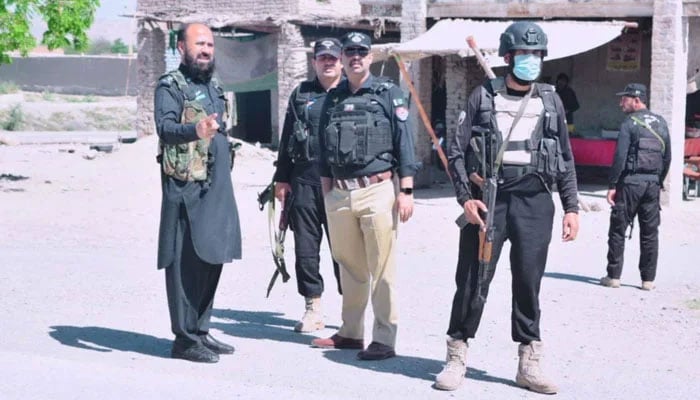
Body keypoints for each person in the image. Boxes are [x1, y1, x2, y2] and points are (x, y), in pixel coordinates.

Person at [435, 21, 580, 393]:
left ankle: (529, 360)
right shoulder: (483, 96)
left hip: (535, 200)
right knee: (472, 280)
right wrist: (466, 199)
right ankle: (456, 353)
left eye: (536, 54)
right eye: (523, 54)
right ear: (508, 57)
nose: (530, 60)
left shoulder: (550, 100)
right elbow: (455, 151)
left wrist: (571, 207)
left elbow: (564, 157)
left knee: (529, 282)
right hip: (489, 201)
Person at [311, 31, 419, 361]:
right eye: (350, 52)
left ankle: (384, 338)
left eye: (362, 51)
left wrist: (407, 191)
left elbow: (404, 142)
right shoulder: (332, 98)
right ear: (342, 58)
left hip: (377, 190)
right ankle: (350, 332)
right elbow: (322, 147)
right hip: (341, 195)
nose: (355, 56)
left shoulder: (389, 93)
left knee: (381, 268)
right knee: (350, 267)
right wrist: (328, 192)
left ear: (371, 57)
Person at [154, 23, 242, 363]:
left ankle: (202, 329)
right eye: (199, 44)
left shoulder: (213, 86)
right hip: (186, 190)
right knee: (184, 265)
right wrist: (196, 129)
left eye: (209, 44)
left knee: (212, 257)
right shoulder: (170, 87)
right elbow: (165, 128)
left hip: (216, 189)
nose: (206, 50)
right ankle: (185, 338)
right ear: (181, 48)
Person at [272, 38, 344, 332]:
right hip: (304, 182)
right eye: (322, 58)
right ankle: (312, 307)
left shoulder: (352, 93)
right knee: (305, 250)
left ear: (341, 61)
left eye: (332, 58)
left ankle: (352, 313)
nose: (327, 62)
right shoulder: (301, 94)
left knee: (345, 251)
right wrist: (281, 178)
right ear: (314, 61)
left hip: (342, 185)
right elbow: (287, 136)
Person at [600, 83, 671, 291]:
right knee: (650, 233)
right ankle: (648, 280)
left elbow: (620, 156)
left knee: (618, 229)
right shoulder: (661, 123)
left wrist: (613, 184)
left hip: (630, 183)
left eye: (625, 99)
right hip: (652, 185)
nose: (621, 102)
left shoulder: (629, 123)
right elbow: (667, 157)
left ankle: (614, 276)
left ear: (637, 99)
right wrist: (659, 181)